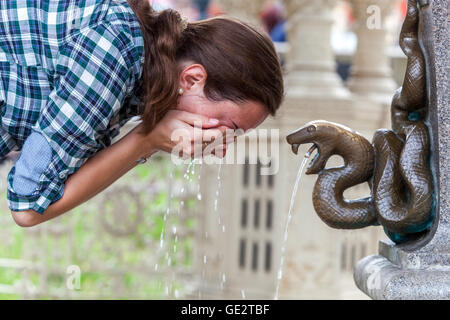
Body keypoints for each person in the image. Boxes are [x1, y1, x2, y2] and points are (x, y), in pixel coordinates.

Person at [0, 0, 284, 227]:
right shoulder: (115, 50)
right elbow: (28, 205)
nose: (221, 148)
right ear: (192, 79)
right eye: (228, 128)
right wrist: (147, 140)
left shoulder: (134, 64)